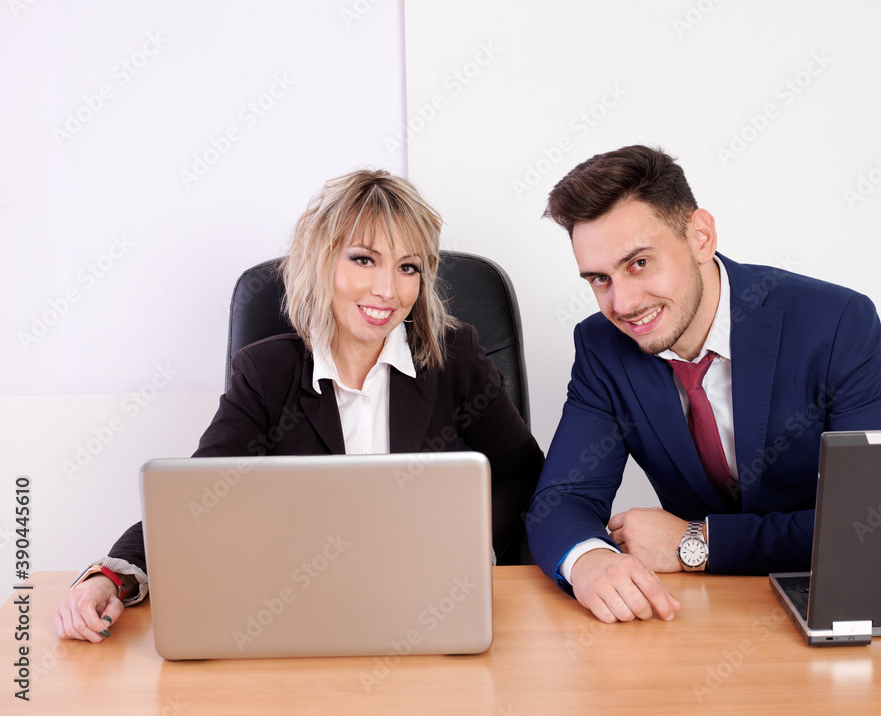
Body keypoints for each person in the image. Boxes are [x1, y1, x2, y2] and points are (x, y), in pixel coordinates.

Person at [55, 169, 544, 642]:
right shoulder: (267, 375)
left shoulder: (453, 358)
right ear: (322, 261)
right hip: (304, 606)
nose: (387, 290)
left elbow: (522, 472)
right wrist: (109, 577)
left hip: (429, 605)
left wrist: (466, 550)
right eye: (363, 259)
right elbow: (198, 498)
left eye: (408, 267)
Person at [526, 145, 881, 624]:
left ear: (701, 237)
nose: (622, 303)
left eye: (639, 263)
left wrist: (698, 542)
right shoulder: (602, 347)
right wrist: (589, 561)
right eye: (599, 279)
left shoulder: (834, 324)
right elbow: (561, 500)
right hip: (704, 618)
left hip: (844, 605)